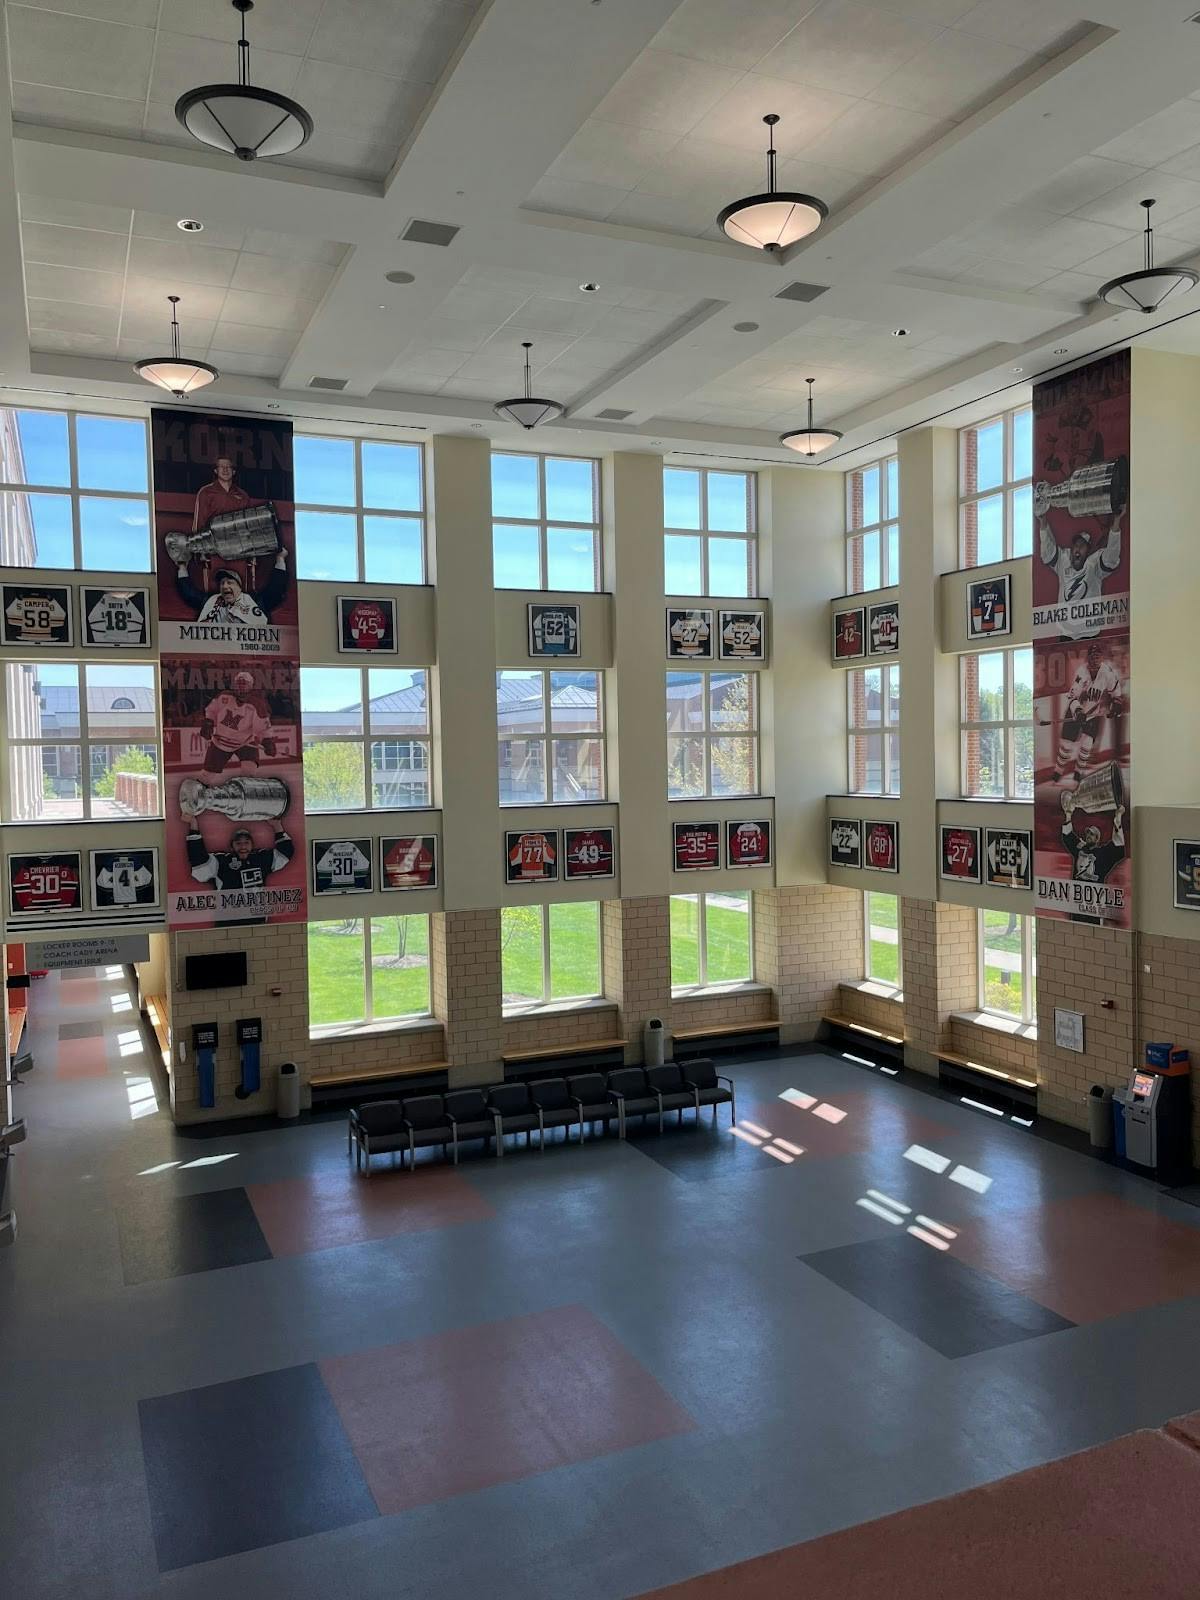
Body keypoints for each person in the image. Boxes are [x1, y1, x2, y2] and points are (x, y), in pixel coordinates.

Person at [1036, 501, 1122, 639]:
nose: (1077, 549)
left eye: (1082, 546)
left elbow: (1111, 556)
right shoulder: (1064, 561)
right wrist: (1042, 520)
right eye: (1076, 545)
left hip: (1090, 634)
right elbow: (1047, 551)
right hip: (1066, 634)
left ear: (1088, 550)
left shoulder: (1093, 565)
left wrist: (1116, 522)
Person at [1050, 642, 1124, 785]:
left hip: (1093, 714)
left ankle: (1078, 774)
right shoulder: (1081, 673)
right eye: (1092, 656)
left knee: (1087, 746)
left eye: (1098, 656)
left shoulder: (1107, 672)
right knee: (1066, 746)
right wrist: (1078, 710)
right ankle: (1058, 772)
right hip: (1075, 712)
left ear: (1101, 657)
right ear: (1088, 658)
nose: (1095, 660)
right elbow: (1072, 697)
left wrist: (1116, 705)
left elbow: (1116, 691)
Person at [175, 550, 288, 626]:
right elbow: (189, 594)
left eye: (229, 582)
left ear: (239, 587)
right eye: (222, 583)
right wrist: (182, 566)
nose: (225, 586)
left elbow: (276, 590)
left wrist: (280, 559)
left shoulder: (255, 601)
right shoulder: (211, 601)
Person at [185, 820, 294, 894]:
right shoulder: (222, 861)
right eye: (238, 843)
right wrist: (193, 826)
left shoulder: (261, 858)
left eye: (246, 842)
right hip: (228, 919)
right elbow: (199, 860)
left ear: (252, 845)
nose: (243, 847)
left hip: (257, 918)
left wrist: (277, 825)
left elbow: (285, 852)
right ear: (231, 847)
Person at [200, 670, 275, 775]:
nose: (241, 687)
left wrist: (267, 741)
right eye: (238, 684)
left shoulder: (257, 705)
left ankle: (245, 790)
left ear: (250, 686)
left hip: (245, 742)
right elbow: (211, 710)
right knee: (207, 776)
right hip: (220, 741)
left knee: (249, 770)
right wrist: (208, 722)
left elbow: (263, 727)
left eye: (244, 684)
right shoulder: (224, 697)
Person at [192, 456, 249, 532]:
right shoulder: (206, 492)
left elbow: (248, 522)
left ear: (233, 471)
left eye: (228, 467)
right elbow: (199, 523)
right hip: (213, 541)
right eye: (221, 466)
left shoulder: (243, 495)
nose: (225, 469)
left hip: (236, 540)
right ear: (216, 471)